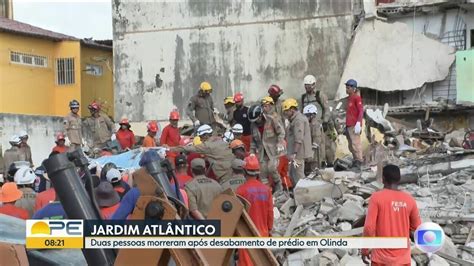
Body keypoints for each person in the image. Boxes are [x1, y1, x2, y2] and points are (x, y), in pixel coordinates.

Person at [362, 164, 421, 265]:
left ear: (383, 179)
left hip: (381, 259)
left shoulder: (376, 197)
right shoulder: (409, 200)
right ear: (399, 179)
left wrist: (365, 249)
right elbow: (417, 227)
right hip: (402, 260)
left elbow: (369, 227)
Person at [236, 154, 273, 266]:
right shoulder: (266, 190)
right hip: (263, 233)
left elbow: (237, 216)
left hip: (246, 234)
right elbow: (270, 213)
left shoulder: (240, 191)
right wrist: (269, 230)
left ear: (244, 172)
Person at [249, 99, 285, 193]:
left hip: (274, 151)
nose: (256, 122)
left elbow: (281, 132)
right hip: (262, 153)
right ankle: (267, 192)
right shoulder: (253, 126)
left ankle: (279, 186)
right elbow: (253, 141)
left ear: (261, 115)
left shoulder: (271, 120)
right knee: (262, 172)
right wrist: (252, 153)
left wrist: (280, 142)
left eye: (257, 120)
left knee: (272, 168)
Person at [301, 75, 336, 166]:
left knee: (326, 145)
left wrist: (325, 121)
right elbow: (302, 111)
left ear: (314, 85)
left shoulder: (319, 95)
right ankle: (317, 163)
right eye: (306, 85)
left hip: (320, 123)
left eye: (309, 85)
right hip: (309, 125)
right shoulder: (303, 97)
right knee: (314, 144)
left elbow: (326, 109)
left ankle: (328, 163)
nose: (308, 88)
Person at [282, 98, 312, 184]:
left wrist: (294, 153)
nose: (285, 113)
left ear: (292, 109)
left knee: (299, 176)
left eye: (286, 111)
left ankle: (303, 194)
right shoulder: (294, 119)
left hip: (298, 154)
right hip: (295, 153)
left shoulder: (298, 120)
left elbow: (298, 138)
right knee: (293, 174)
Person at [344, 79, 364, 170]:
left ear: (353, 88)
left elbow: (360, 110)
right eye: (346, 87)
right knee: (351, 145)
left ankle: (359, 161)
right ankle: (355, 159)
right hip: (349, 125)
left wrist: (359, 122)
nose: (346, 89)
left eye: (348, 88)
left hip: (354, 125)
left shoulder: (356, 98)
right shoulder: (348, 99)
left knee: (356, 144)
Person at [303, 104, 324, 174]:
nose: (305, 117)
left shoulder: (315, 124)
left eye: (307, 115)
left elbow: (316, 140)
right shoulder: (310, 123)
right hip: (311, 154)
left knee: (314, 173)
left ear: (312, 115)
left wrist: (310, 153)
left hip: (315, 155)